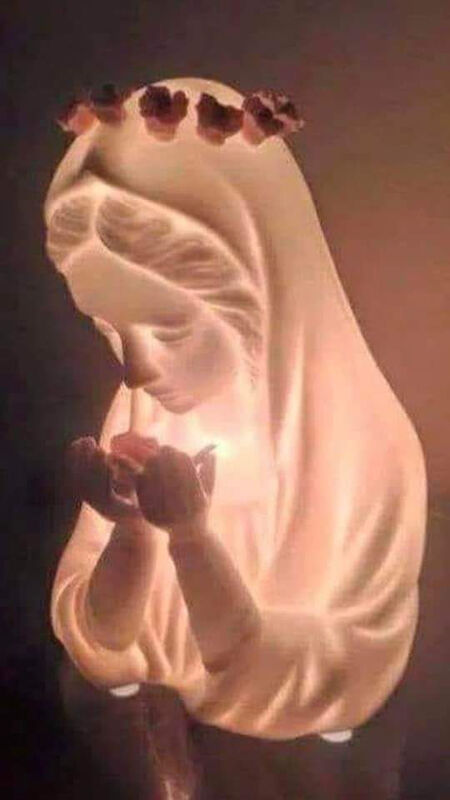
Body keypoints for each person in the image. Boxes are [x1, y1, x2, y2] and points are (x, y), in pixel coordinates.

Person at [45, 77, 427, 794]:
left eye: (166, 329)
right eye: (109, 329)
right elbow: (95, 641)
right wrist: (132, 533)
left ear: (266, 292)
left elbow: (343, 677)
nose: (134, 369)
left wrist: (192, 540)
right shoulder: (143, 414)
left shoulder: (366, 456)